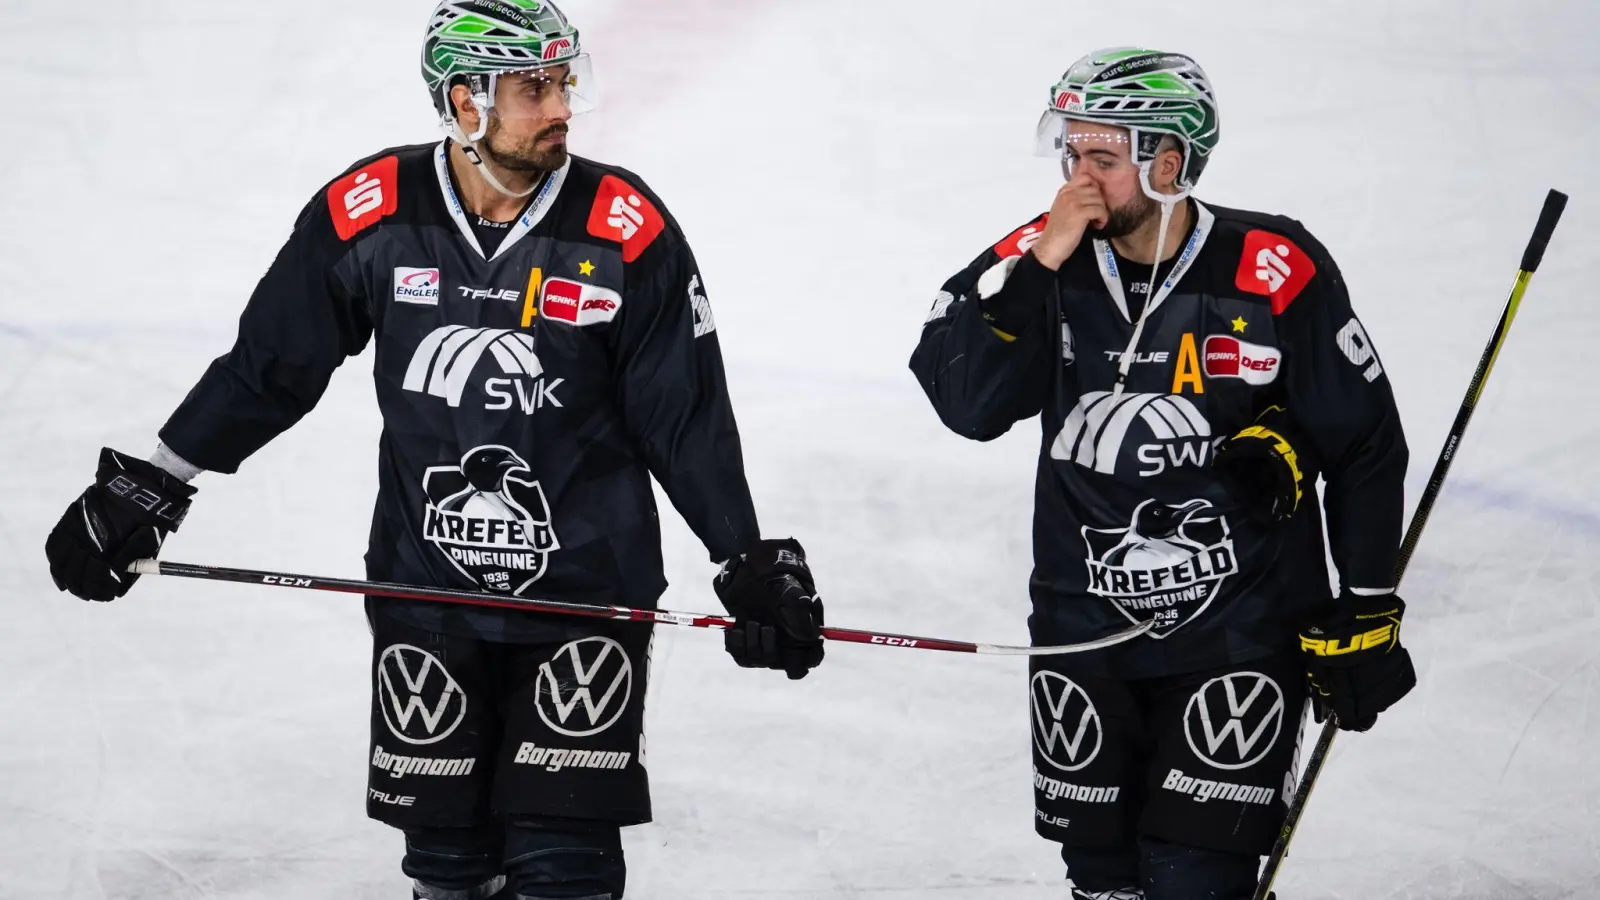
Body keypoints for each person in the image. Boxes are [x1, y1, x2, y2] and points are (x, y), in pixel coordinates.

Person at [43, 2, 825, 898]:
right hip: (426, 595)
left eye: (566, 79)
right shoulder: (369, 213)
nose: (562, 104)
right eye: (535, 86)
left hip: (585, 599)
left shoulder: (623, 227)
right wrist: (153, 483)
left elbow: (682, 414)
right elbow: (271, 367)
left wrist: (745, 556)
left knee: (565, 868)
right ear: (465, 102)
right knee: (448, 871)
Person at [910, 48, 1415, 899]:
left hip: (1237, 636)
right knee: (1102, 882)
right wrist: (1037, 273)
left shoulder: (1271, 266)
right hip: (1081, 631)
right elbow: (968, 406)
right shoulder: (1038, 258)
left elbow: (1364, 441)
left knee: (1194, 881)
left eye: (1101, 159)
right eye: (1070, 155)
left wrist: (1366, 604)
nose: (1077, 179)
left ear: (1169, 163)